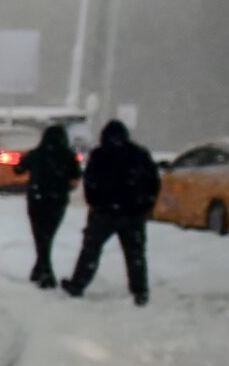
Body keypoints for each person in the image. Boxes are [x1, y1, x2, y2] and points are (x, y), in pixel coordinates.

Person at [64, 119, 160, 304]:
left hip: (104, 213)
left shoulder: (99, 154)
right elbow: (153, 182)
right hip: (133, 214)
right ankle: (140, 291)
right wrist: (145, 206)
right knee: (135, 254)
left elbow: (90, 182)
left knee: (90, 250)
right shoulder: (139, 154)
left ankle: (78, 285)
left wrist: (95, 203)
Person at [19, 124, 82, 287]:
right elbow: (76, 174)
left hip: (36, 199)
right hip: (58, 200)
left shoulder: (36, 154)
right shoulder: (68, 155)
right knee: (48, 236)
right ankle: (42, 270)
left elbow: (18, 169)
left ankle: (43, 272)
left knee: (40, 236)